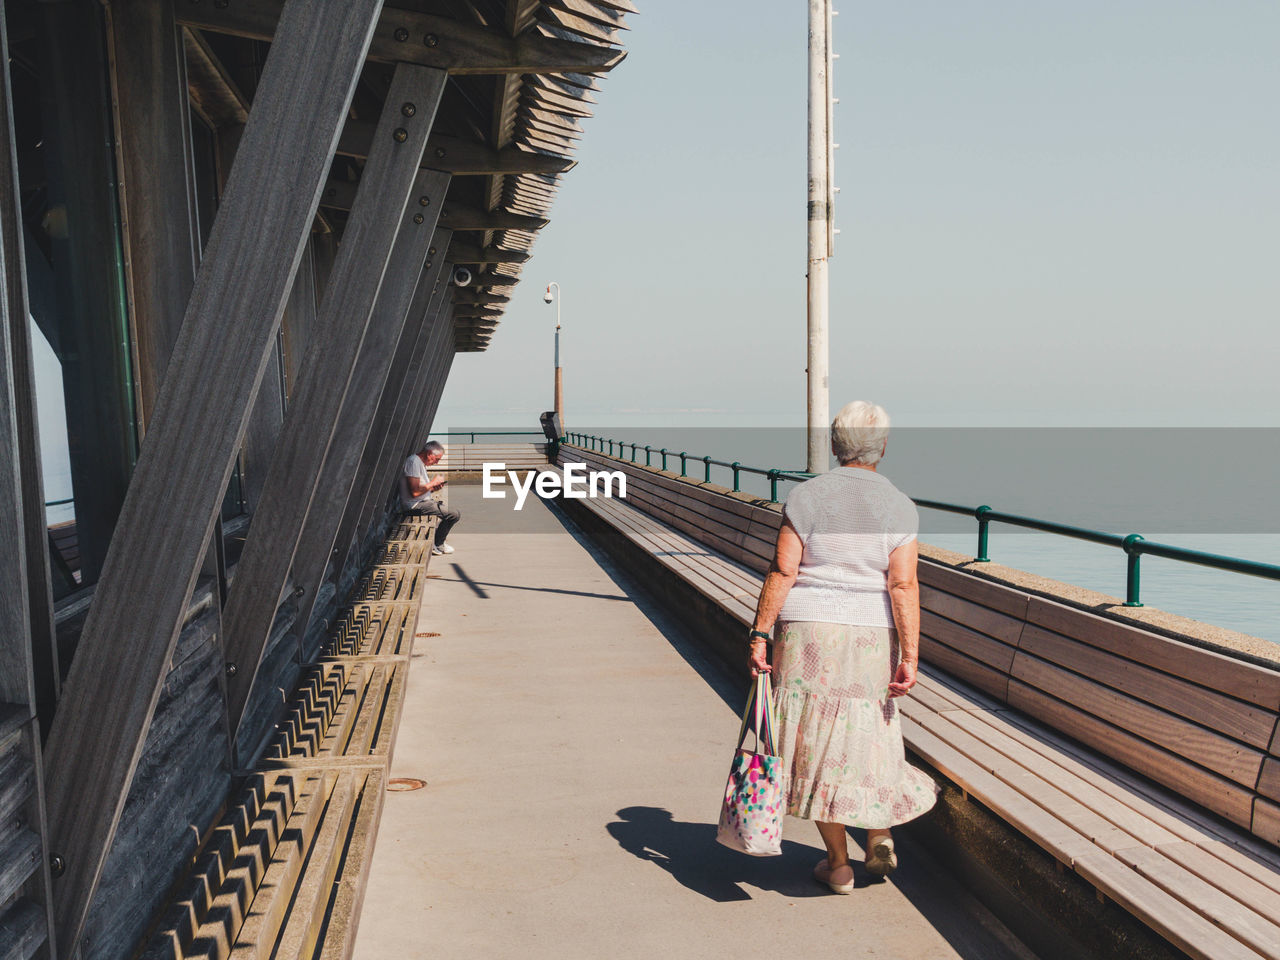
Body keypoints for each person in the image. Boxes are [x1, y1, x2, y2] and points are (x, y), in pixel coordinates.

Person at [747, 401, 937, 893]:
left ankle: (838, 864)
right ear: (883, 448)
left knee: (812, 744)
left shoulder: (807, 497)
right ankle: (878, 830)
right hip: (869, 634)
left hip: (808, 628)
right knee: (867, 733)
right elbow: (903, 585)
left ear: (835, 445)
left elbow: (784, 570)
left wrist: (760, 633)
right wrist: (910, 655)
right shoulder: (899, 505)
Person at [401, 441, 460, 555]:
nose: (437, 463)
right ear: (429, 454)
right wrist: (432, 483)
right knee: (454, 514)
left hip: (422, 502)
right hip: (414, 506)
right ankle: (438, 544)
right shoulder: (413, 462)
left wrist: (434, 488)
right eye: (437, 459)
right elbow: (414, 492)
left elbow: (420, 489)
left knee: (451, 513)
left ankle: (438, 543)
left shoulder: (419, 463)